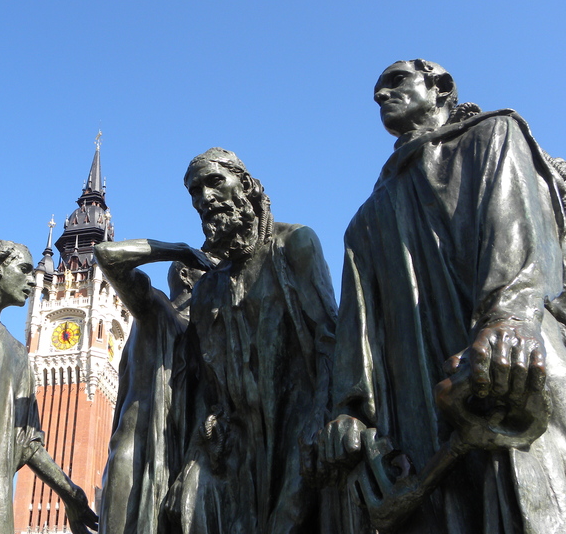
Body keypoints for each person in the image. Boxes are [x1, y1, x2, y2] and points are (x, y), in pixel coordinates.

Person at [319, 60, 566, 533]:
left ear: (440, 87)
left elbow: (511, 228)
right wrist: (347, 411)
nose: (380, 96)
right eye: (377, 90)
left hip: (508, 363)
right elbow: (358, 328)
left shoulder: (492, 134)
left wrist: (509, 318)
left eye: (395, 82)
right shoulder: (364, 222)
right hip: (418, 407)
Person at [163, 148, 339, 533]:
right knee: (185, 503)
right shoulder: (207, 289)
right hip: (237, 445)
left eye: (214, 182)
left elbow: (330, 342)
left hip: (299, 427)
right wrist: (196, 455)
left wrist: (321, 421)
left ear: (244, 183)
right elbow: (211, 390)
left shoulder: (294, 244)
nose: (204, 198)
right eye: (195, 192)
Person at [0, 240, 98, 534]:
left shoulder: (18, 353)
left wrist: (71, 493)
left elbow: (29, 441)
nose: (32, 281)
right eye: (24, 270)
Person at [93, 240, 211, 534]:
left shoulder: (206, 336)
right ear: (186, 275)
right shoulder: (154, 310)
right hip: (138, 464)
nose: (218, 277)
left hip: (181, 468)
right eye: (210, 270)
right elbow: (107, 256)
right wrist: (180, 250)